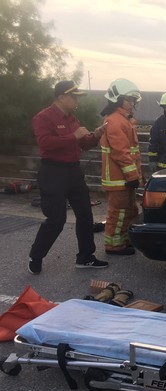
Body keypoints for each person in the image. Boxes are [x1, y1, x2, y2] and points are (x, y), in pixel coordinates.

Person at [28, 80, 108, 274]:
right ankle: (36, 255)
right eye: (74, 97)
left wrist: (96, 135)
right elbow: (45, 143)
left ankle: (85, 257)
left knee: (85, 215)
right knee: (56, 219)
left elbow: (84, 144)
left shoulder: (73, 119)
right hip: (53, 172)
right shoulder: (43, 118)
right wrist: (73, 136)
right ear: (62, 97)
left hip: (74, 172)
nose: (77, 101)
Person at [99, 78, 143, 256]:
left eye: (133, 100)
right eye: (129, 100)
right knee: (118, 213)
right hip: (119, 179)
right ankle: (113, 246)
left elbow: (131, 153)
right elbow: (121, 152)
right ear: (118, 99)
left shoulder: (123, 120)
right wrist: (133, 176)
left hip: (124, 178)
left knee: (129, 211)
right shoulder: (116, 122)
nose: (132, 103)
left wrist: (136, 175)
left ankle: (123, 241)